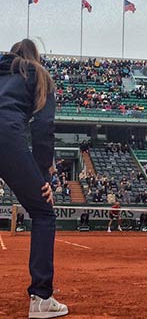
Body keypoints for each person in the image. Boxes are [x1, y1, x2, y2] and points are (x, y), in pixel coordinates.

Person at [0, 39, 68, 317]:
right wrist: (43, 175)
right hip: (7, 138)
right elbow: (43, 127)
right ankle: (41, 298)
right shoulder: (39, 74)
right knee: (43, 213)